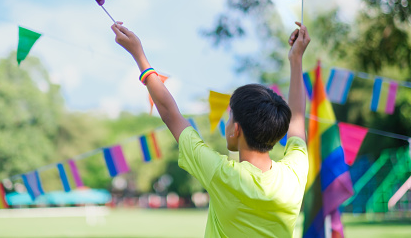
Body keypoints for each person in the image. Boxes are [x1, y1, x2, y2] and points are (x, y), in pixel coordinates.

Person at [111, 21, 311, 237]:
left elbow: (171, 114)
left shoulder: (222, 175)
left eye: (229, 116)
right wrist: (296, 59)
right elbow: (298, 118)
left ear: (237, 129)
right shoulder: (294, 173)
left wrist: (139, 55)